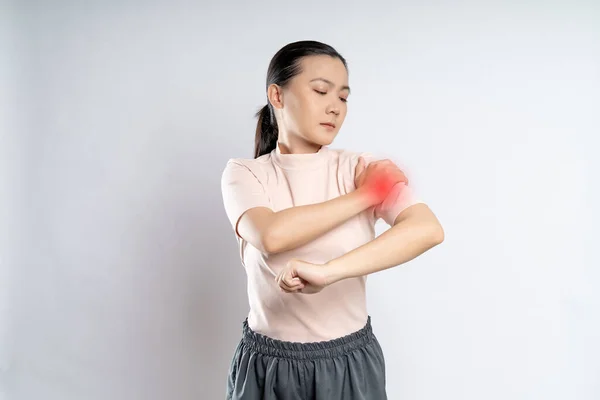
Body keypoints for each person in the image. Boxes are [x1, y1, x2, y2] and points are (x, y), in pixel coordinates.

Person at [220, 40, 444, 400]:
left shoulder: (358, 167)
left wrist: (330, 272)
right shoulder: (245, 174)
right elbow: (271, 235)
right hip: (268, 367)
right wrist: (364, 196)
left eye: (343, 97)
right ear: (277, 96)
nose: (335, 108)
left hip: (348, 363)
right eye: (321, 91)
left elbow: (427, 229)